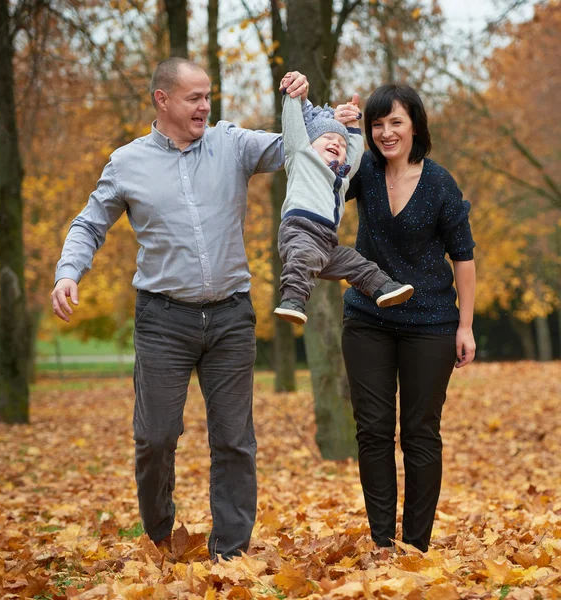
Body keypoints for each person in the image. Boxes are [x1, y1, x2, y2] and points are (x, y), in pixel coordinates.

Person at [50, 58, 310, 560]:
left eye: (208, 96)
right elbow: (89, 223)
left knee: (235, 440)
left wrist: (301, 105)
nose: (205, 106)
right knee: (155, 437)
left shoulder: (231, 143)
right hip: (163, 321)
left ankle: (230, 554)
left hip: (231, 316)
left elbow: (292, 149)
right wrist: (68, 272)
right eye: (194, 97)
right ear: (162, 100)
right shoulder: (127, 162)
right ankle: (159, 536)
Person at [334, 84, 476, 553]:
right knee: (373, 430)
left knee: (420, 433)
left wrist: (466, 325)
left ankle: (415, 546)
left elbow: (464, 258)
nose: (386, 132)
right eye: (378, 124)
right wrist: (341, 129)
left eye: (395, 122)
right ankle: (381, 543)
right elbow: (328, 176)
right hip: (367, 318)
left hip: (431, 324)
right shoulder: (367, 171)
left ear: (415, 123)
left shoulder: (439, 183)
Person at [274, 92, 414, 325]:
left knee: (354, 261)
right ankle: (292, 300)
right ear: (309, 142)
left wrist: (352, 125)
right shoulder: (300, 155)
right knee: (302, 258)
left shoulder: (342, 175)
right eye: (328, 137)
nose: (336, 144)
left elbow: (355, 152)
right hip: (300, 231)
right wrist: (292, 96)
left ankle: (383, 288)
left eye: (340, 143)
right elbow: (292, 126)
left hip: (327, 242)